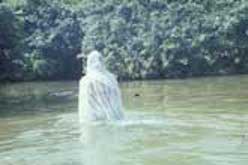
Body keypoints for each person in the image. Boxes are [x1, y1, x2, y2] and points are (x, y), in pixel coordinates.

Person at [78, 50, 124, 123]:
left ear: (89, 62)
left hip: (95, 117)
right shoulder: (111, 78)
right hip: (112, 114)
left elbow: (87, 102)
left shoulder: (86, 80)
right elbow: (116, 96)